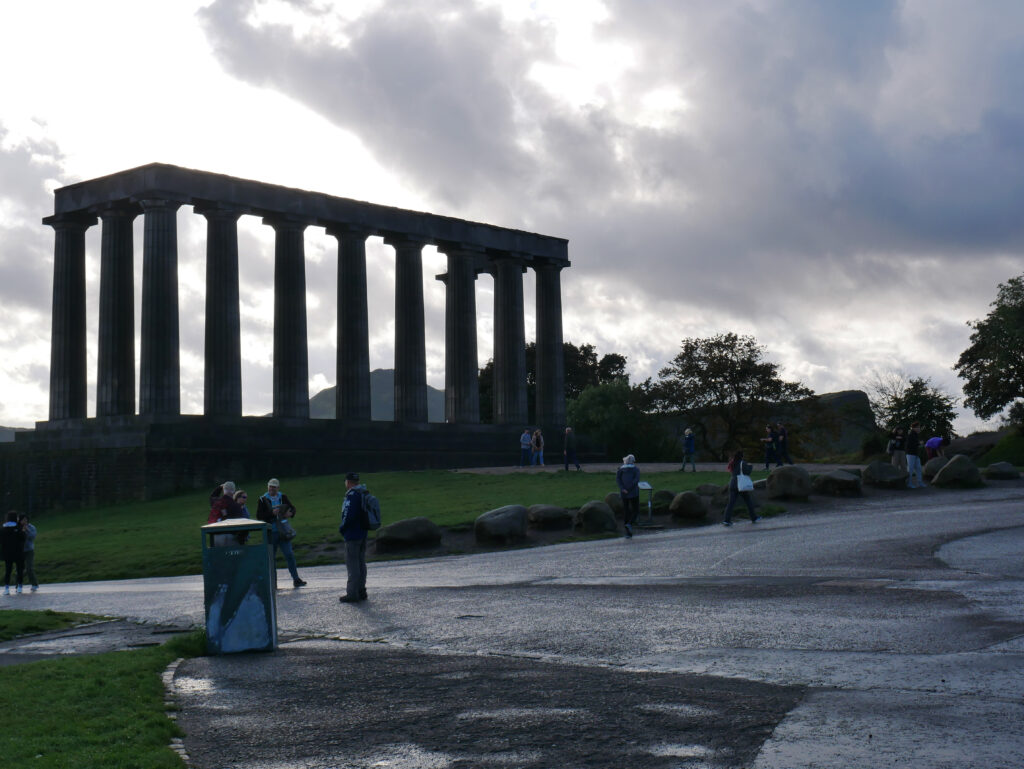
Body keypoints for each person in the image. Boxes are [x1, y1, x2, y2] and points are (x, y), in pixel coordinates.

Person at [257, 478, 306, 588]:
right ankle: (273, 583)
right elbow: (259, 516)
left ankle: (296, 579)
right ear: (267, 487)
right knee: (271, 558)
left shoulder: (283, 497)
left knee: (289, 555)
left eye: (274, 487)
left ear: (278, 488)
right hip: (271, 532)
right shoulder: (262, 499)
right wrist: (271, 513)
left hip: (283, 532)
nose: (272, 489)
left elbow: (292, 508)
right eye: (270, 486)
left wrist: (290, 513)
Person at [338, 472, 369, 603]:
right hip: (363, 532)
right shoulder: (363, 493)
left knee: (352, 564)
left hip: (352, 534)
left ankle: (352, 593)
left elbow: (348, 515)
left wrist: (342, 528)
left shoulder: (351, 495)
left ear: (348, 482)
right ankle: (362, 590)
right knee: (361, 562)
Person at [723, 450, 760, 526]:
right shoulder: (742, 463)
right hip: (741, 484)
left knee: (731, 503)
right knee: (748, 501)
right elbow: (747, 472)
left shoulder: (732, 463)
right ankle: (753, 517)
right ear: (741, 456)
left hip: (733, 484)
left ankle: (726, 520)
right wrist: (750, 466)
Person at [616, 454, 640, 538]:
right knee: (636, 510)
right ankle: (630, 524)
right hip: (633, 493)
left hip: (623, 493)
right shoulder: (636, 469)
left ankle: (627, 533)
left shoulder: (620, 469)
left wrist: (623, 488)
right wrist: (629, 489)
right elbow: (636, 480)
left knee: (626, 511)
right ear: (633, 461)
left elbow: (618, 479)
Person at [2, 511, 26, 595]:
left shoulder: (3, 529)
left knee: (8, 570)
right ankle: (19, 586)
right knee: (19, 569)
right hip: (18, 552)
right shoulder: (18, 527)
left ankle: (7, 588)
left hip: (7, 553)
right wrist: (23, 531)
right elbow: (23, 538)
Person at [19, 514, 38, 592]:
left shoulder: (31, 527)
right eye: (23, 519)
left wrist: (27, 530)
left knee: (29, 568)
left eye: (26, 519)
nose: (24, 521)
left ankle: (34, 584)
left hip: (29, 550)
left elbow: (32, 537)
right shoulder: (17, 528)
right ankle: (18, 584)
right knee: (19, 569)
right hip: (20, 551)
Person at [905, 422, 924, 489]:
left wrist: (919, 444)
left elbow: (915, 444)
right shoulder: (911, 434)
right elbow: (910, 444)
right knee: (910, 469)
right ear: (914, 428)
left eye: (919, 427)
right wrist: (919, 443)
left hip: (915, 454)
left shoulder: (915, 434)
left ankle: (920, 482)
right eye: (918, 427)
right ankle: (909, 483)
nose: (919, 429)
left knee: (918, 468)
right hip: (910, 454)